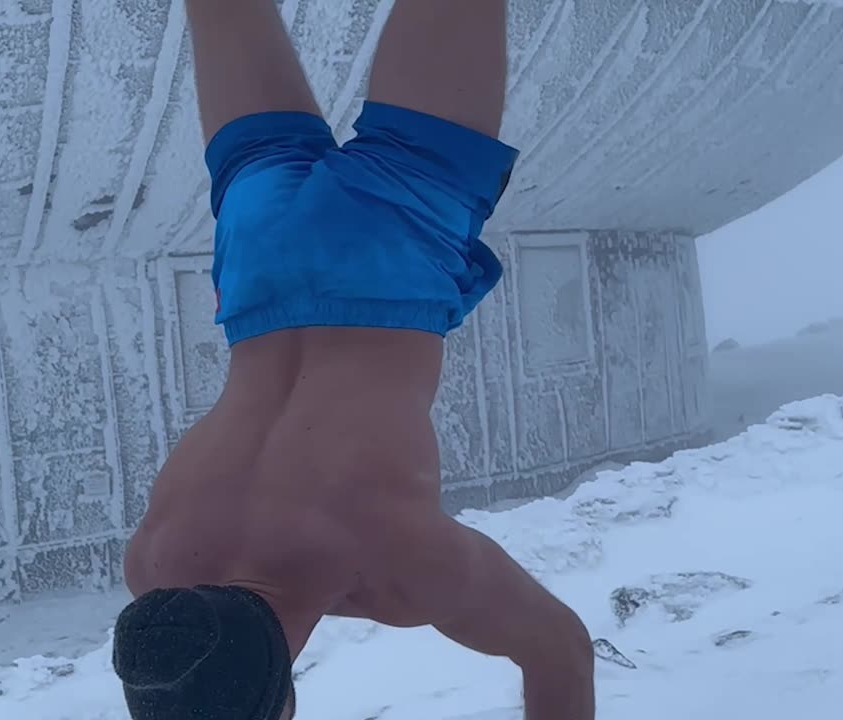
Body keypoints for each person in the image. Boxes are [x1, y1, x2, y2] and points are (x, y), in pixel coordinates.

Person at [112, 1, 597, 718]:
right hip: (257, 257)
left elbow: (559, 648)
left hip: (385, 253)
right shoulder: (154, 566)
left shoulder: (393, 564)